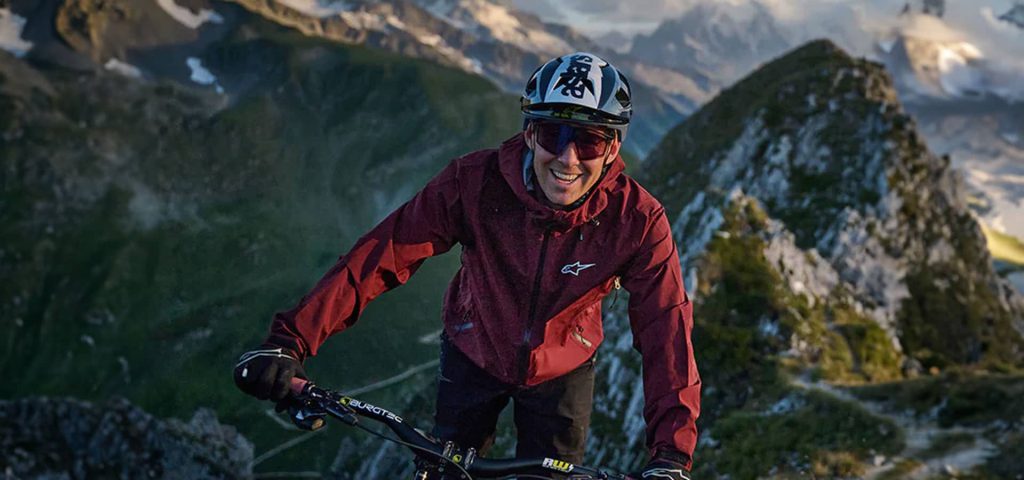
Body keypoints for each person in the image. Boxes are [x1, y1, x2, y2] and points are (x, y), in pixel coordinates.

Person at [233, 52, 700, 479]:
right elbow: (381, 255)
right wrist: (289, 342)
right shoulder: (474, 182)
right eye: (551, 133)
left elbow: (666, 331)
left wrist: (671, 457)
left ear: (613, 149)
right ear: (529, 133)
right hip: (472, 352)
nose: (567, 157)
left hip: (563, 374)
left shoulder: (636, 220)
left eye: (589, 141)